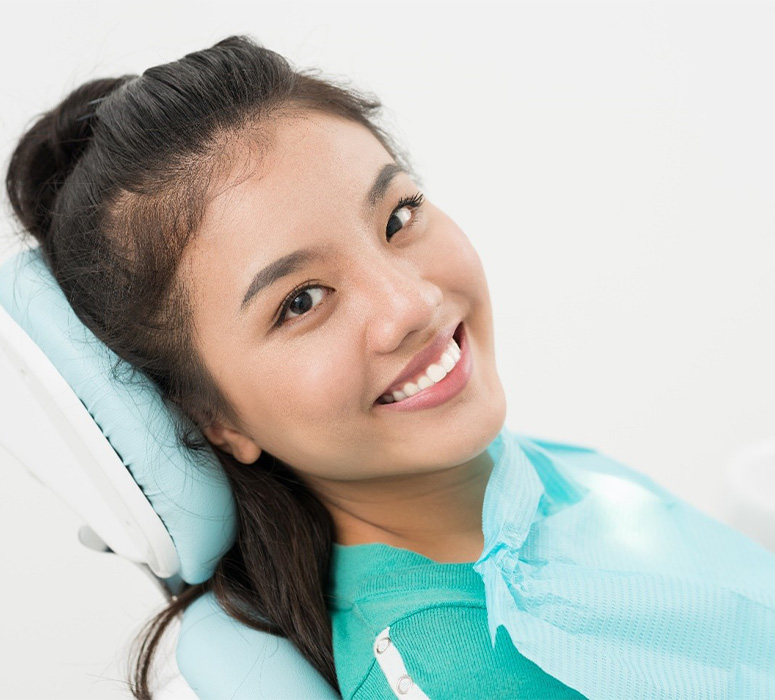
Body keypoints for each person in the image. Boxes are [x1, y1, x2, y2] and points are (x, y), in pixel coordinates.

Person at [6, 35, 775, 700]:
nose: (408, 302)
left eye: (397, 217)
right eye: (301, 300)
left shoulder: (506, 485)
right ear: (214, 417)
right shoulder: (452, 666)